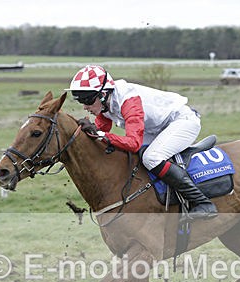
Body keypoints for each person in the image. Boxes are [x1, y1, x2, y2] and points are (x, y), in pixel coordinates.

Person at [67, 65, 218, 219]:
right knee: (135, 158)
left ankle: (203, 203)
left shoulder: (129, 101)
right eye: (81, 101)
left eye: (88, 100)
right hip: (156, 128)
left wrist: (99, 134)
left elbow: (133, 143)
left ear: (104, 94)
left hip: (182, 121)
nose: (85, 107)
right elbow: (100, 132)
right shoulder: (105, 103)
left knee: (150, 157)